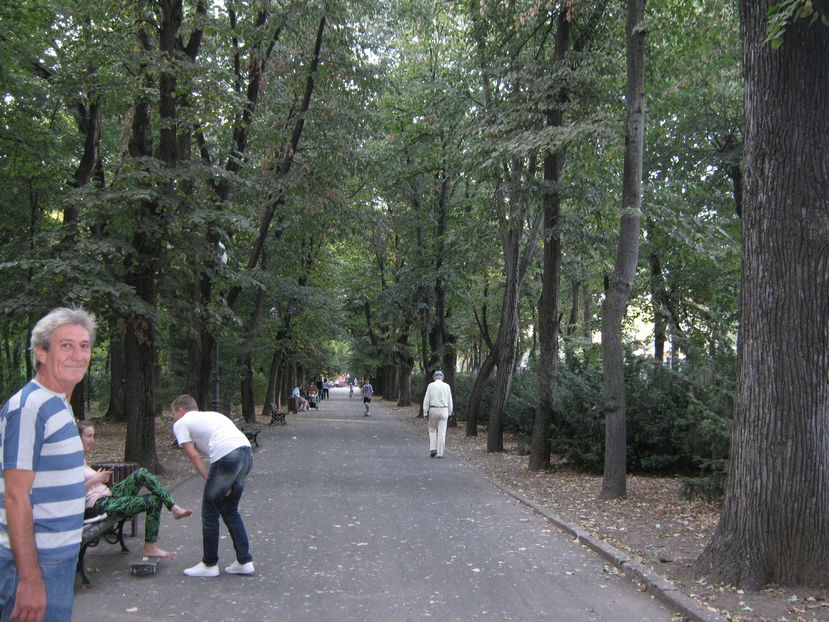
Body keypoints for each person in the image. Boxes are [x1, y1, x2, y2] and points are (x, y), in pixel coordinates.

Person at [0, 307, 96, 622]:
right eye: (65, 345)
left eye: (84, 346)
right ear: (41, 352)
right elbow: (14, 496)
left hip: (59, 553)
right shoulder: (30, 408)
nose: (78, 355)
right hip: (34, 562)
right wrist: (29, 581)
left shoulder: (58, 403)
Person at [76, 421, 192, 559]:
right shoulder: (70, 462)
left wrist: (101, 479)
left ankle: (174, 507)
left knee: (141, 473)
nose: (92, 441)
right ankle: (150, 547)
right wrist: (96, 479)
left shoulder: (81, 458)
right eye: (89, 436)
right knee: (153, 501)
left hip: (109, 494)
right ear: (77, 438)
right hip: (100, 505)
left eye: (93, 436)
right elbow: (74, 494)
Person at [171, 394, 254, 578]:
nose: (174, 420)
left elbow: (193, 456)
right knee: (230, 509)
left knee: (210, 510)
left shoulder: (181, 423)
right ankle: (244, 561)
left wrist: (210, 478)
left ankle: (209, 564)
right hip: (246, 453)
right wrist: (224, 482)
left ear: (181, 410)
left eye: (173, 414)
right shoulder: (213, 416)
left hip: (228, 455)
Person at [422, 370, 453, 459]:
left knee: (432, 430)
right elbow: (450, 400)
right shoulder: (447, 386)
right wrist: (450, 412)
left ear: (434, 378)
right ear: (442, 377)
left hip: (433, 409)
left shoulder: (430, 386)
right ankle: (440, 453)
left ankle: (433, 448)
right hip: (444, 410)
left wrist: (425, 412)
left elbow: (426, 399)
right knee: (442, 432)